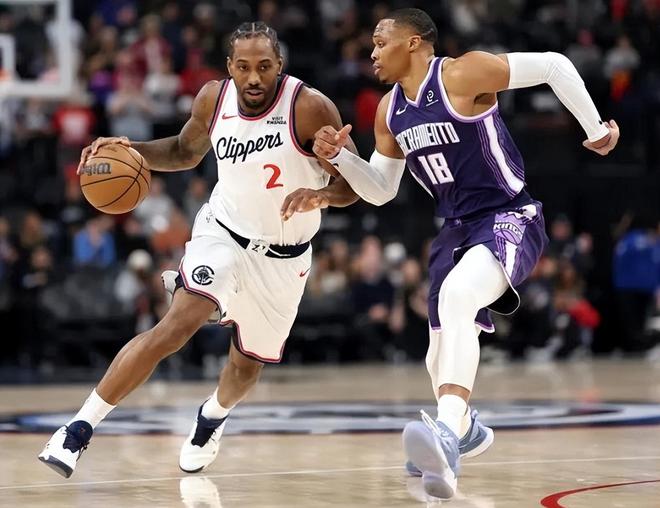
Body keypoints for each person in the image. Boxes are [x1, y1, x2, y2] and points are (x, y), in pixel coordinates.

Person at [310, 8, 619, 500]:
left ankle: (448, 436)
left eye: (381, 42)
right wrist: (341, 158)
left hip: (507, 214)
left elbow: (555, 65)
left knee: (458, 297)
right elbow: (382, 191)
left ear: (414, 43)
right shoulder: (389, 110)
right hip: (454, 229)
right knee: (438, 349)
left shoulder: (461, 73)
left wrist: (596, 128)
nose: (372, 52)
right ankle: (463, 431)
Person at [38, 21, 359, 478]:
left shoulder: (309, 107)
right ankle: (76, 430)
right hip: (223, 233)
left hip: (285, 259)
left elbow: (356, 183)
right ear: (229, 66)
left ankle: (211, 417)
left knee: (245, 370)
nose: (253, 77)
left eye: (264, 67)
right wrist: (130, 151)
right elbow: (184, 152)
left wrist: (323, 195)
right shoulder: (213, 98)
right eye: (243, 67)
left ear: (279, 65)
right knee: (177, 326)